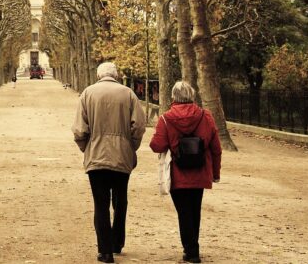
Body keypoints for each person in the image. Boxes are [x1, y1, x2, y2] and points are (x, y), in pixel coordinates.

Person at [72, 62, 146, 263]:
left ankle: (105, 251)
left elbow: (79, 129)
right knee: (120, 200)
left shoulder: (87, 93)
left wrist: (86, 147)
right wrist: (130, 147)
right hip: (122, 156)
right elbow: (139, 126)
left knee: (101, 204)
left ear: (98, 75)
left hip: (96, 156)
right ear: (116, 75)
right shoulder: (128, 94)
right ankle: (117, 242)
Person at [150, 81, 222, 263]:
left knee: (183, 212)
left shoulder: (166, 118)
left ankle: (191, 251)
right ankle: (193, 248)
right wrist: (215, 173)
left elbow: (157, 146)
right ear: (192, 96)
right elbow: (216, 148)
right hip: (200, 172)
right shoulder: (206, 116)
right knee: (195, 210)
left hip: (178, 173)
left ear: (173, 97)